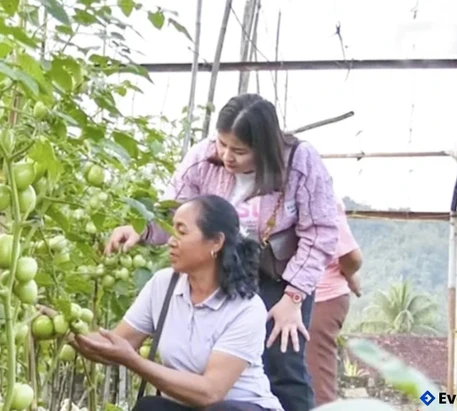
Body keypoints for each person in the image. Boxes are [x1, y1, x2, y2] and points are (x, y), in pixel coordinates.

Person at [104, 94, 339, 411]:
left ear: (265, 147)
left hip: (280, 276)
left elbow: (320, 231)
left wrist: (293, 297)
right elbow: (174, 209)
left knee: (282, 359)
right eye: (222, 144)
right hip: (221, 268)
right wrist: (140, 230)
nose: (227, 156)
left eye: (239, 151)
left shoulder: (298, 161)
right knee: (214, 364)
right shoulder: (203, 157)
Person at [71, 194, 284, 411]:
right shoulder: (163, 285)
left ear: (216, 242)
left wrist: (134, 362)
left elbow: (211, 393)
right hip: (189, 406)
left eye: (181, 232)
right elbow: (112, 345)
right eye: (172, 231)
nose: (171, 240)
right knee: (150, 407)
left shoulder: (246, 308)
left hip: (241, 407)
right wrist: (66, 327)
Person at [306, 199, 363, 406]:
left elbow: (351, 257)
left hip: (320, 296)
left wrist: (350, 274)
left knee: (315, 378)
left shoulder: (318, 194)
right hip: (286, 297)